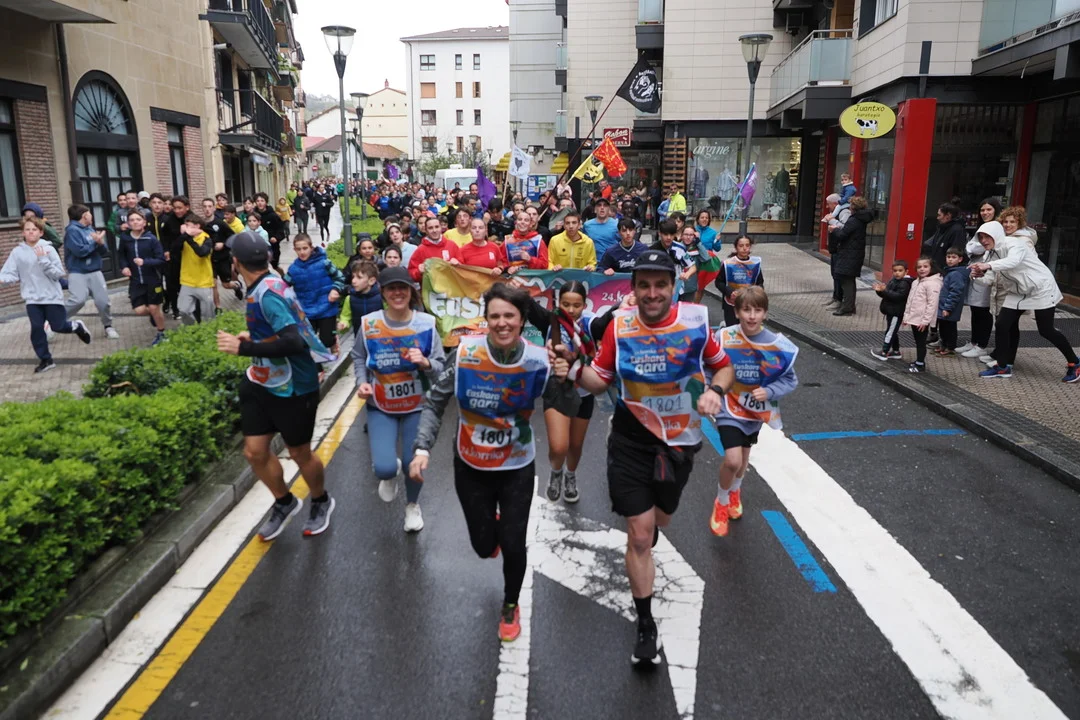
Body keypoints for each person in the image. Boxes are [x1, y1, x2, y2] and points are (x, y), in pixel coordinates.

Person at [550, 250, 734, 665]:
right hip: (630, 439)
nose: (652, 293)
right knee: (638, 534)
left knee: (660, 521)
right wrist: (573, 370)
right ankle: (646, 624)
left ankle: (649, 535)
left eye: (661, 285)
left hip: (679, 442)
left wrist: (715, 391)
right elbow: (600, 380)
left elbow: (724, 367)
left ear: (674, 287)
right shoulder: (620, 326)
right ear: (633, 289)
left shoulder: (696, 322)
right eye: (644, 285)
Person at [409, 283, 551, 642]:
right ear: (486, 319)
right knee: (484, 546)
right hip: (471, 464)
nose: (502, 323)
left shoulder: (538, 360)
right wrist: (422, 448)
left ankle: (510, 604)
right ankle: (493, 532)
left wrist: (569, 372)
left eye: (510, 316)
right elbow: (435, 401)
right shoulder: (465, 353)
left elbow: (568, 395)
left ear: (521, 320)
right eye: (495, 316)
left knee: (514, 543)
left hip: (517, 464)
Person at [217, 232, 337, 540]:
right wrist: (256, 338)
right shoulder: (263, 285)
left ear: (236, 262)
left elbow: (293, 341)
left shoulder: (269, 293)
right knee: (254, 452)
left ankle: (321, 500)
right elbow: (284, 329)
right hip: (261, 380)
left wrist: (244, 347)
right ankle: (284, 502)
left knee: (299, 452)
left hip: (294, 385)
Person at [353, 266, 446, 532]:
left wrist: (425, 363)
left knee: (411, 463)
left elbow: (441, 366)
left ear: (410, 291)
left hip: (418, 405)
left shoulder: (426, 324)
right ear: (382, 292)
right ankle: (388, 473)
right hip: (380, 405)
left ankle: (412, 506)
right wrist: (362, 383)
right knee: (384, 467)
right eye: (391, 288)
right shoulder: (369, 324)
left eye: (402, 288)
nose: (397, 293)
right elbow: (358, 356)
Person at [710, 287, 798, 536]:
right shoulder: (724, 337)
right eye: (746, 310)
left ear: (765, 314)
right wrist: (711, 390)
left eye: (757, 310)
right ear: (737, 312)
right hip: (728, 408)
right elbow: (708, 365)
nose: (751, 316)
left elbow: (790, 380)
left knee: (744, 458)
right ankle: (721, 502)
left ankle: (735, 491)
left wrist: (769, 392)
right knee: (733, 460)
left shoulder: (776, 344)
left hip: (754, 412)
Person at [530, 281, 614, 503]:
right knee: (559, 447)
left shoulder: (590, 324)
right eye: (566, 304)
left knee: (575, 446)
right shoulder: (550, 321)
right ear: (558, 303)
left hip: (583, 394)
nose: (571, 310)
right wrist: (511, 284)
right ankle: (556, 472)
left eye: (577, 305)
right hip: (556, 390)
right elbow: (526, 304)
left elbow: (609, 320)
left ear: (585, 305)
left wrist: (623, 305)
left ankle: (570, 475)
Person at [970, 220, 1080, 382]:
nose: (983, 240)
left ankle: (1075, 363)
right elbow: (990, 279)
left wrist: (988, 266)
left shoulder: (1015, 244)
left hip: (1040, 289)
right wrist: (977, 277)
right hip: (1018, 291)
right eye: (980, 237)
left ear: (996, 234)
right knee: (1002, 324)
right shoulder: (990, 254)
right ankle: (1002, 367)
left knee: (1046, 330)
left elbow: (1013, 261)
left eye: (987, 236)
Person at [1, 217, 92, 372]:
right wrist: (3, 280)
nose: (31, 232)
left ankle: (77, 326)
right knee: (37, 329)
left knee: (58, 326)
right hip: (32, 298)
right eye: (27, 229)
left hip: (51, 297)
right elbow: (10, 273)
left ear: (41, 232)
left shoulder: (48, 249)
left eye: (34, 229)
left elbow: (58, 274)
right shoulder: (17, 252)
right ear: (23, 232)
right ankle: (46, 360)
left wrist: (44, 261)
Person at [284, 234, 346, 354]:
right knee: (307, 341)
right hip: (306, 310)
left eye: (305, 248)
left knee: (327, 341)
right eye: (298, 249)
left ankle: (333, 340)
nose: (302, 252)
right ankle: (313, 362)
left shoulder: (324, 263)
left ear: (311, 248)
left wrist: (335, 289)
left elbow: (340, 278)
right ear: (294, 250)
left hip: (326, 307)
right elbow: (283, 286)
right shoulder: (293, 269)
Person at [63, 204, 118, 339]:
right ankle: (54, 320)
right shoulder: (72, 231)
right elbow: (79, 251)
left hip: (95, 270)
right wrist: (95, 243)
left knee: (103, 302)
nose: (91, 215)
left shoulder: (89, 228)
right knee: (78, 300)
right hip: (77, 271)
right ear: (84, 216)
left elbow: (103, 251)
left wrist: (100, 243)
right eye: (89, 213)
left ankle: (108, 326)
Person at [957, 198, 1002, 358]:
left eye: (989, 209)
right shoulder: (981, 227)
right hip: (976, 272)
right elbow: (970, 247)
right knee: (975, 309)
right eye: (982, 210)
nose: (985, 213)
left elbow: (976, 247)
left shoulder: (997, 227)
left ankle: (981, 345)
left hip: (989, 273)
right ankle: (974, 341)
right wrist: (974, 247)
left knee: (984, 310)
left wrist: (975, 247)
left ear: (996, 210)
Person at [118, 209, 167, 346]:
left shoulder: (151, 239)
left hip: (152, 280)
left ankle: (161, 333)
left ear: (144, 222)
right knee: (139, 311)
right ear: (128, 223)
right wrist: (124, 267)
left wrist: (145, 262)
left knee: (154, 307)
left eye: (138, 219)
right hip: (136, 281)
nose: (135, 222)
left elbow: (161, 260)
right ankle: (154, 315)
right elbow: (121, 255)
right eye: (132, 220)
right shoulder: (125, 239)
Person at [829, 196, 872, 316]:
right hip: (855, 253)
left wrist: (834, 230)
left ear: (853, 207)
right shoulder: (861, 219)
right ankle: (849, 306)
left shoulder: (854, 220)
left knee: (846, 281)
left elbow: (842, 234)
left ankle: (847, 307)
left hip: (849, 254)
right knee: (849, 280)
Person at [902, 257, 943, 374]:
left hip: (921, 320)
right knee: (917, 340)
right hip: (915, 317)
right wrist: (906, 316)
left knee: (921, 342)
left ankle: (920, 364)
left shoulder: (933, 283)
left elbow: (932, 304)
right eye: (919, 267)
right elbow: (910, 301)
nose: (922, 269)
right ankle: (918, 361)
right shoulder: (916, 282)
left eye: (925, 266)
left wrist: (925, 321)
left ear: (931, 268)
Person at [715, 235, 764, 328]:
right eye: (741, 246)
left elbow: (760, 283)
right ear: (736, 247)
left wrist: (757, 294)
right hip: (731, 304)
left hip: (750, 304)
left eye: (747, 245)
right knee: (733, 331)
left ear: (750, 247)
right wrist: (730, 292)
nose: (744, 248)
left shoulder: (755, 264)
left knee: (747, 331)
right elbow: (718, 282)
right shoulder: (728, 264)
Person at [177, 214, 215, 325]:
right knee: (183, 311)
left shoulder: (207, 239)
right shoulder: (184, 238)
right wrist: (185, 236)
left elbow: (201, 252)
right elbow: (174, 248)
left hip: (203, 282)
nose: (185, 228)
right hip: (187, 281)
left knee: (208, 316)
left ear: (197, 226)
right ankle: (192, 330)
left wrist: (189, 238)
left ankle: (209, 332)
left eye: (188, 225)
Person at [870, 260, 912, 361]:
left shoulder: (905, 284)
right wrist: (879, 291)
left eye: (900, 270)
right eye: (895, 271)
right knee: (892, 331)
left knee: (890, 332)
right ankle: (896, 351)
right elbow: (887, 295)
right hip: (891, 311)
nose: (897, 273)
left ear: (906, 271)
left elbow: (898, 297)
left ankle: (884, 352)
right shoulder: (893, 280)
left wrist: (884, 291)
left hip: (896, 312)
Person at [933, 247, 970, 357]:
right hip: (944, 305)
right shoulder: (949, 272)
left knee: (949, 328)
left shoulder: (956, 274)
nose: (950, 259)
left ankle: (950, 347)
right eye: (948, 257)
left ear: (960, 259)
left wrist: (948, 307)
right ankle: (944, 344)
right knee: (943, 327)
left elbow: (955, 292)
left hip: (949, 307)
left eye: (954, 257)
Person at [160, 196, 191, 320]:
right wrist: (166, 250)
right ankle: (175, 308)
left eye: (180, 208)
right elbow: (164, 237)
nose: (177, 211)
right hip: (173, 256)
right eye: (175, 208)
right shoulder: (169, 220)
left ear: (187, 207)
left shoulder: (192, 219)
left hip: (189, 256)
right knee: (172, 283)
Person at [408, 215, 463, 282]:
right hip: (431, 288)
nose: (434, 230)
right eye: (430, 228)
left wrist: (458, 264)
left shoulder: (452, 245)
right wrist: (419, 272)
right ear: (426, 230)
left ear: (441, 228)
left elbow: (463, 267)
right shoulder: (420, 250)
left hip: (451, 287)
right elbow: (411, 273)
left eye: (437, 227)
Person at [338, 260, 383, 336]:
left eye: (359, 277)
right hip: (359, 338)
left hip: (380, 338)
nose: (353, 281)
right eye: (353, 277)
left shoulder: (381, 298)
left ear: (371, 281)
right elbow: (345, 317)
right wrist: (343, 323)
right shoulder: (350, 299)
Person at [922, 202, 969, 274]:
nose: (937, 218)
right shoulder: (941, 228)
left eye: (939, 215)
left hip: (947, 270)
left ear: (948, 215)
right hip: (938, 268)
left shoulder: (957, 230)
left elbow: (956, 252)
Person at [822, 193, 851, 311]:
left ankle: (840, 299)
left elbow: (845, 228)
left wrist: (832, 223)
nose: (827, 206)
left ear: (835, 203)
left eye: (828, 204)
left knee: (839, 275)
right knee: (834, 274)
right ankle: (836, 297)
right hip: (835, 248)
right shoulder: (835, 212)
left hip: (841, 249)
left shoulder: (845, 212)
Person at [255, 193, 287, 275]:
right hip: (258, 247)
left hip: (272, 247)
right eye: (258, 201)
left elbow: (281, 230)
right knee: (261, 268)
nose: (260, 203)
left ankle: (285, 277)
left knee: (275, 266)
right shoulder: (253, 216)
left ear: (266, 202)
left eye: (262, 201)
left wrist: (276, 238)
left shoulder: (273, 215)